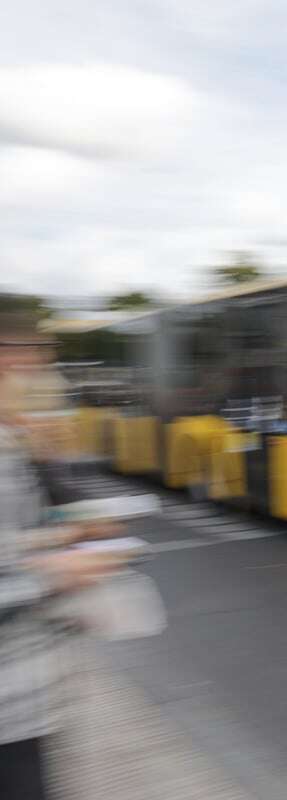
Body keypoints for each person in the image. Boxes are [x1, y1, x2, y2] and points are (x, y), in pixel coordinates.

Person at [0, 310, 125, 799]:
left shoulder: (16, 440)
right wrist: (53, 573)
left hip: (28, 696)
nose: (37, 377)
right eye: (24, 364)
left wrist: (77, 528)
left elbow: (54, 504)